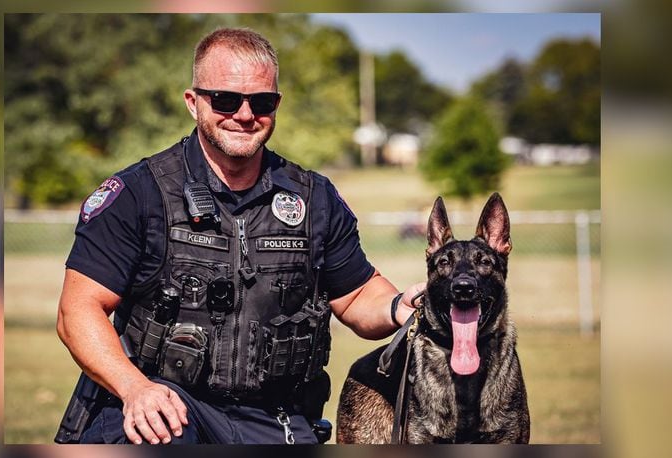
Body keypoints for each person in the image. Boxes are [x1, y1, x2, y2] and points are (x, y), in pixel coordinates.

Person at [56, 27, 423, 445]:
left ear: (276, 105)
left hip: (276, 416)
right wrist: (133, 387)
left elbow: (357, 297)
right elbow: (78, 310)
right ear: (194, 103)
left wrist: (400, 307)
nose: (245, 115)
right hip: (168, 404)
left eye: (261, 102)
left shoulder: (314, 197)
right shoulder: (140, 194)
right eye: (226, 99)